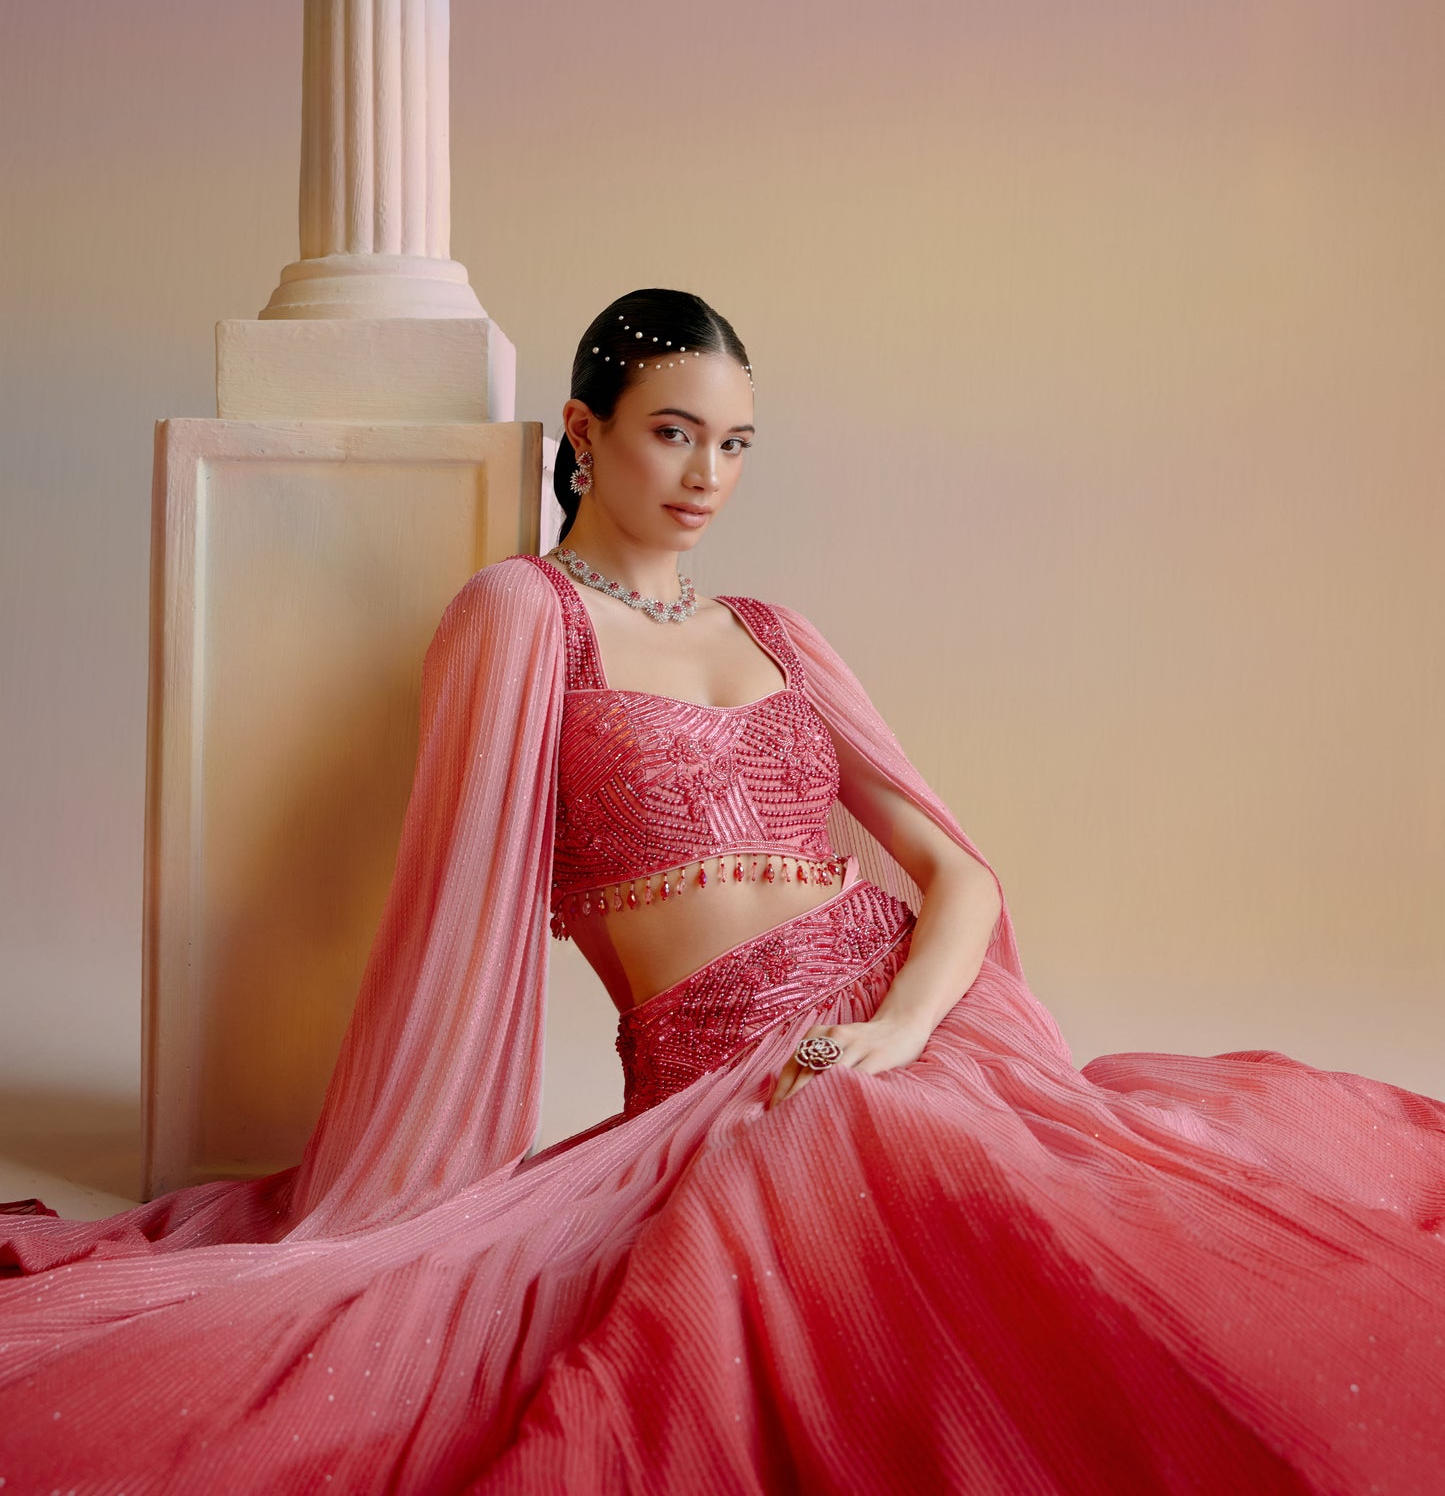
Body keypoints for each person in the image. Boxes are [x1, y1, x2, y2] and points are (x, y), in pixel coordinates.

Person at [1, 287, 1442, 1495]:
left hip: (906, 1024)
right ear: (584, 433)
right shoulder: (522, 619)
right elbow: (458, 921)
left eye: (735, 442)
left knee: (1109, 1231)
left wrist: (897, 1030)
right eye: (673, 431)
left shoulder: (777, 630)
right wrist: (388, 1186)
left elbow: (956, 872)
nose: (705, 473)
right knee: (931, 1231)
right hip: (732, 1080)